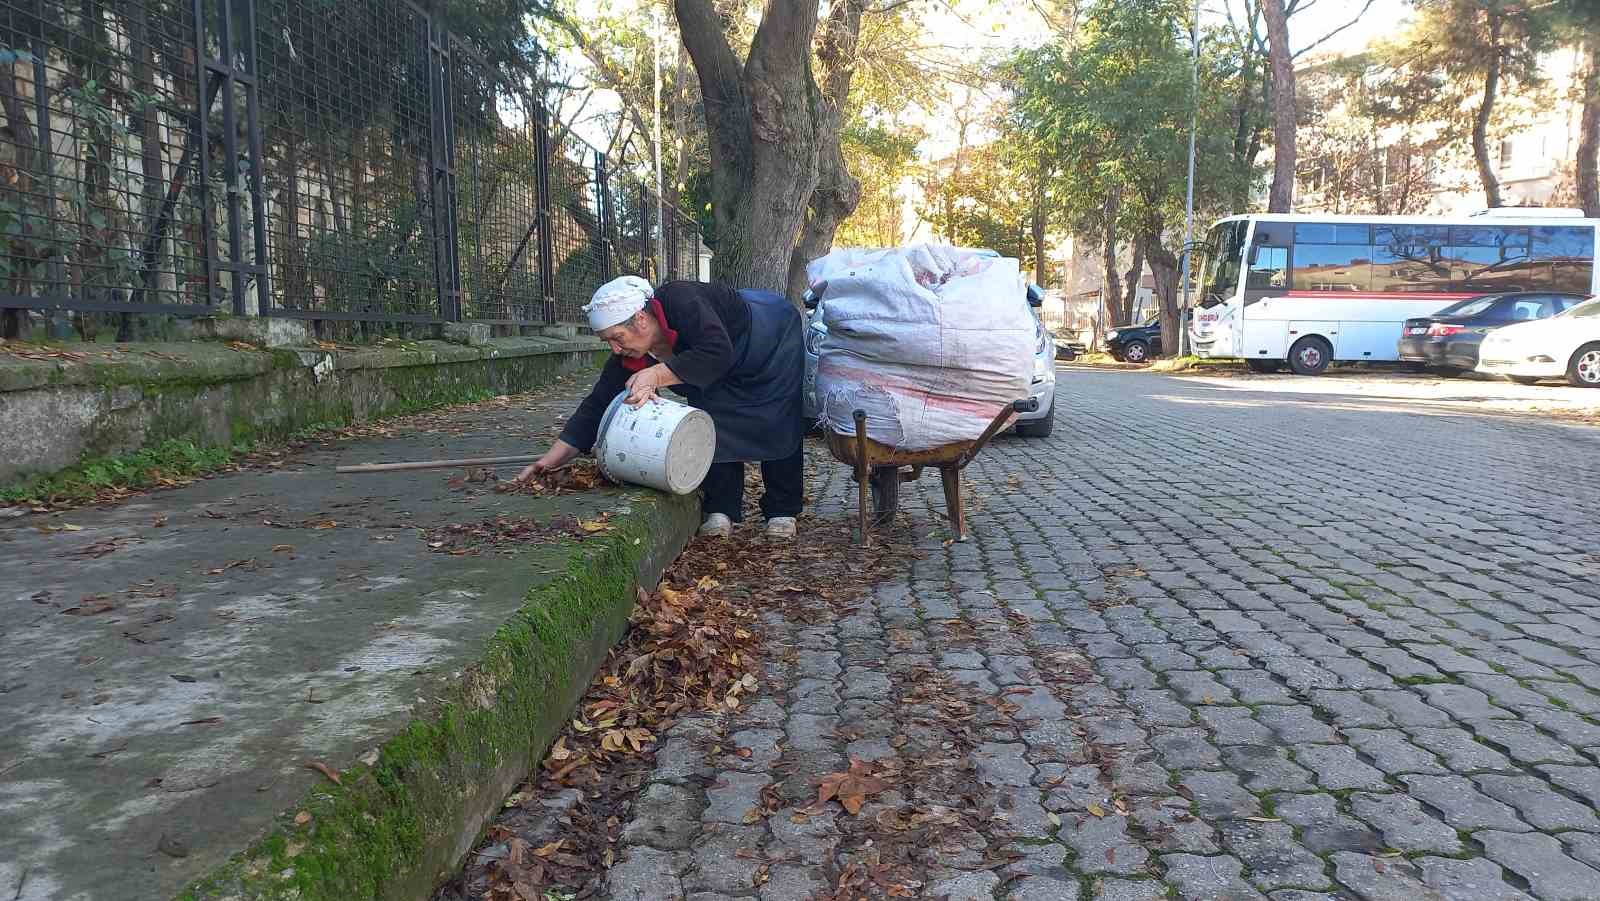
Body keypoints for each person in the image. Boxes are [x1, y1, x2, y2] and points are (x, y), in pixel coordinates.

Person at [518, 275, 806, 539]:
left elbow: (716, 352)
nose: (615, 349)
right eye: (608, 341)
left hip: (770, 340)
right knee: (711, 420)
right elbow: (597, 406)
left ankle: (782, 509)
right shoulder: (632, 353)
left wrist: (656, 375)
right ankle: (721, 508)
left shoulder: (683, 299)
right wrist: (550, 461)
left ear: (640, 319)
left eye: (617, 337)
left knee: (777, 420)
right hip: (724, 370)